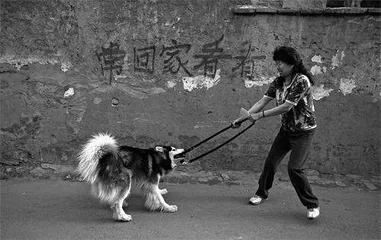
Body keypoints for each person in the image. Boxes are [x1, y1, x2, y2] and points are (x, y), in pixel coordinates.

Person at [232, 46, 320, 219]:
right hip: (287, 131)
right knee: (271, 162)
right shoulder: (278, 82)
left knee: (294, 168)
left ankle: (312, 204)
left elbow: (287, 106)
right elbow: (263, 101)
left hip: (304, 131)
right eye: (277, 63)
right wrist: (242, 119)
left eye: (280, 63)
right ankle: (261, 193)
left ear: (292, 64)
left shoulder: (302, 81)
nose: (278, 66)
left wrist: (259, 116)